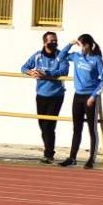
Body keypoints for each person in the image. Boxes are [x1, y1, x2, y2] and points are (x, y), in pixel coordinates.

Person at [57, 34, 103, 168]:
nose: (81, 47)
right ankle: (72, 157)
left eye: (82, 44)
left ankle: (91, 159)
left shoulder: (97, 60)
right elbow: (60, 57)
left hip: (90, 97)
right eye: (79, 44)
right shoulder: (76, 56)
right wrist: (70, 43)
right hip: (78, 96)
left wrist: (94, 96)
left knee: (92, 129)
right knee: (76, 128)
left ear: (88, 45)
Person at [21, 32, 69, 164]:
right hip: (41, 95)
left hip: (56, 95)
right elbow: (23, 67)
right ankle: (48, 151)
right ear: (44, 42)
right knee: (42, 125)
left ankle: (49, 154)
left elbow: (64, 71)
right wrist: (30, 72)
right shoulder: (37, 55)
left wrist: (46, 73)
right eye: (51, 41)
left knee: (49, 125)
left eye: (55, 41)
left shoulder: (61, 55)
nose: (54, 43)